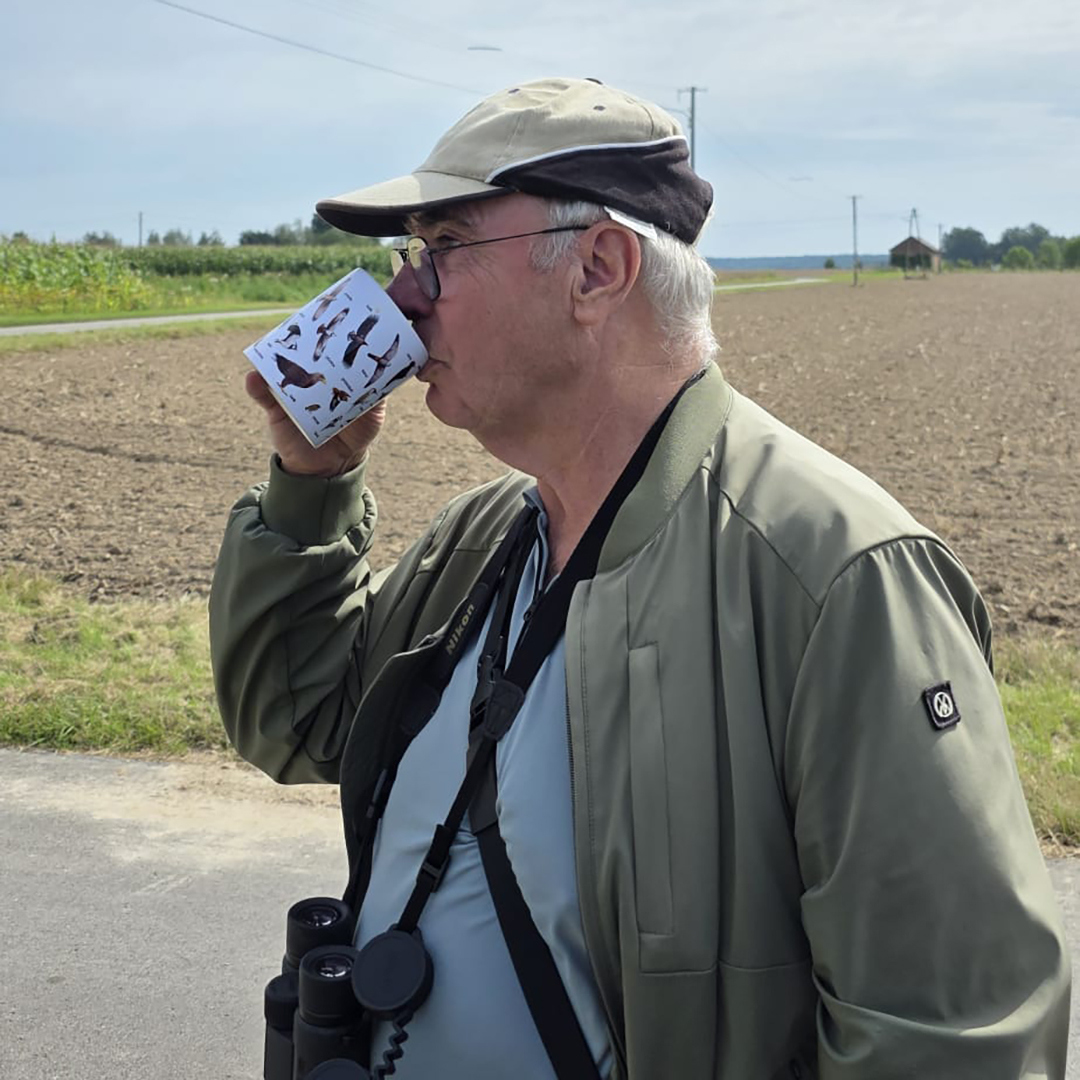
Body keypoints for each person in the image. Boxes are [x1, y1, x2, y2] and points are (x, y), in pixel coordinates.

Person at [209, 77, 1071, 1079]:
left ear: (598, 269)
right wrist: (314, 480)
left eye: (441, 251)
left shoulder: (835, 579)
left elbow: (949, 1042)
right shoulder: (485, 539)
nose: (402, 298)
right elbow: (296, 717)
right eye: (409, 257)